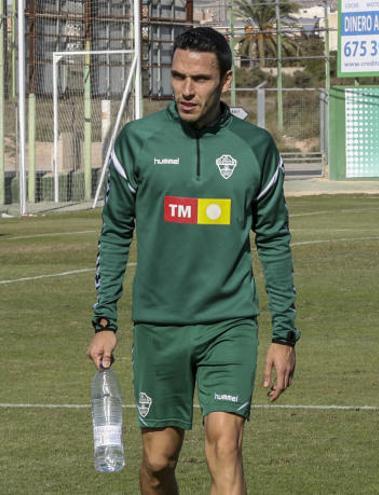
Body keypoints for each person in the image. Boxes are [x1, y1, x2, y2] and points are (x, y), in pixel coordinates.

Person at [87, 27, 299, 494]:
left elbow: (275, 241)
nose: (186, 89)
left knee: (225, 444)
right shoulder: (137, 142)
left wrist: (284, 334)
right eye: (178, 76)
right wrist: (105, 319)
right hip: (160, 324)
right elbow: (116, 232)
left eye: (200, 79)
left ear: (225, 81)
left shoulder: (256, 148)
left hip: (230, 322)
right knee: (158, 462)